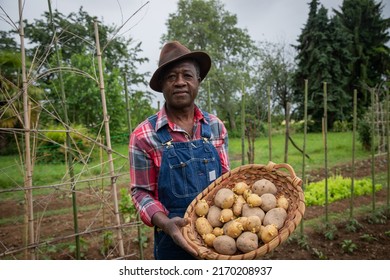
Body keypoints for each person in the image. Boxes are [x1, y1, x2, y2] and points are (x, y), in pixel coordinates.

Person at [129, 41, 230, 260]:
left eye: (187, 75)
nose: (180, 82)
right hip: (172, 243)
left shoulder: (215, 127)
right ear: (162, 86)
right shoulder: (144, 135)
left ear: (198, 81)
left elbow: (226, 182)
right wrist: (166, 224)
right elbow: (140, 192)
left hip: (218, 239)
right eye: (171, 77)